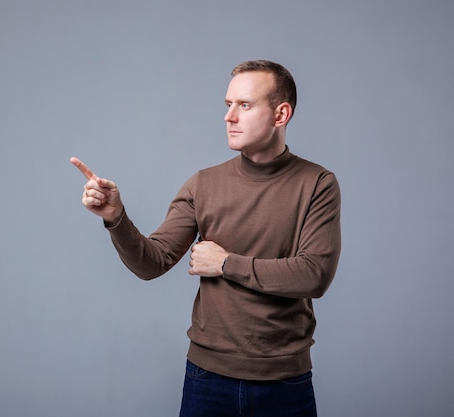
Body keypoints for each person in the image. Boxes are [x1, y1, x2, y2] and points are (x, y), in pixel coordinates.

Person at [70, 60, 341, 417]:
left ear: (281, 114)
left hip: (284, 383)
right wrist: (116, 219)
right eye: (227, 105)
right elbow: (153, 263)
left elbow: (314, 275)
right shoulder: (204, 184)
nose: (229, 117)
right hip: (207, 379)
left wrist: (226, 264)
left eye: (244, 105)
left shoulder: (317, 184)